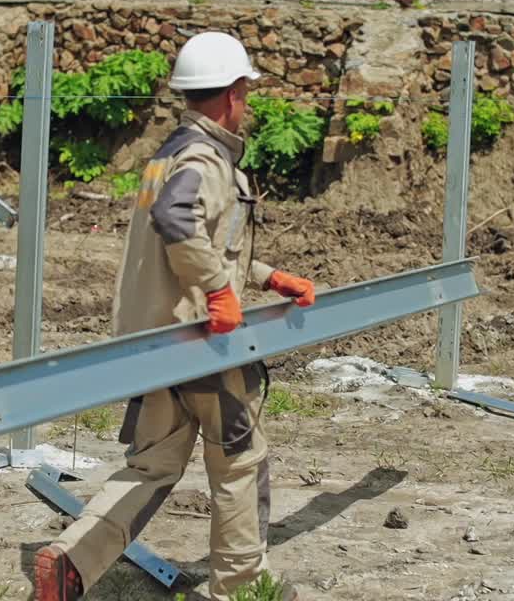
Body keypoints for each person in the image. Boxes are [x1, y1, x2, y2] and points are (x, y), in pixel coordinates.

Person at [34, 32, 314, 601]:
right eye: (247, 94)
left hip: (153, 344)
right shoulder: (203, 159)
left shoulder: (167, 154)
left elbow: (203, 239)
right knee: (239, 461)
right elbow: (178, 218)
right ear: (235, 93)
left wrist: (262, 276)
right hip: (200, 345)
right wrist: (217, 291)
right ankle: (239, 586)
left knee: (150, 467)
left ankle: (72, 562)